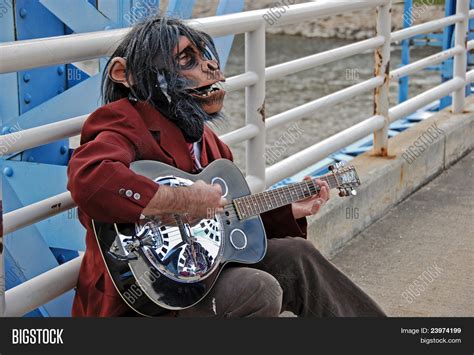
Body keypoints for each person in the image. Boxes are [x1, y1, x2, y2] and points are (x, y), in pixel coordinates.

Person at [67, 16, 385, 317]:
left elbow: (224, 220)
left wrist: (289, 210)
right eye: (185, 59)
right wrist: (180, 202)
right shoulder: (123, 121)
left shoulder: (209, 142)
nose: (210, 66)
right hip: (150, 300)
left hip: (206, 273)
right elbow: (90, 180)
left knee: (298, 256)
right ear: (127, 75)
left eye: (205, 55)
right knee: (258, 290)